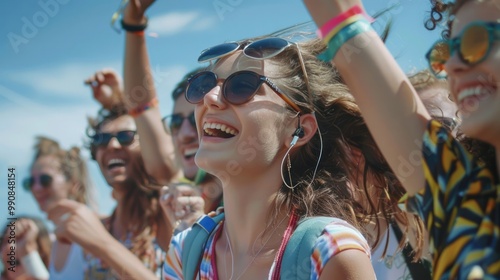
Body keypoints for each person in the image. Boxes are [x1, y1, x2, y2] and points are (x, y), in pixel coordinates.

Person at [303, 0, 499, 278]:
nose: (453, 65)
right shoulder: (465, 204)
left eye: (474, 41)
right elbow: (346, 30)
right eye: (446, 52)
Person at [48, 84, 178, 279]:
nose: (112, 145)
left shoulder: (167, 213)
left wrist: (102, 245)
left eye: (125, 137)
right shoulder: (98, 226)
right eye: (101, 139)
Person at [23, 136, 96, 280]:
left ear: (74, 184)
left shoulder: (96, 230)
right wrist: (27, 251)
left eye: (45, 180)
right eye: (30, 182)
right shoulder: (57, 239)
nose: (36, 188)